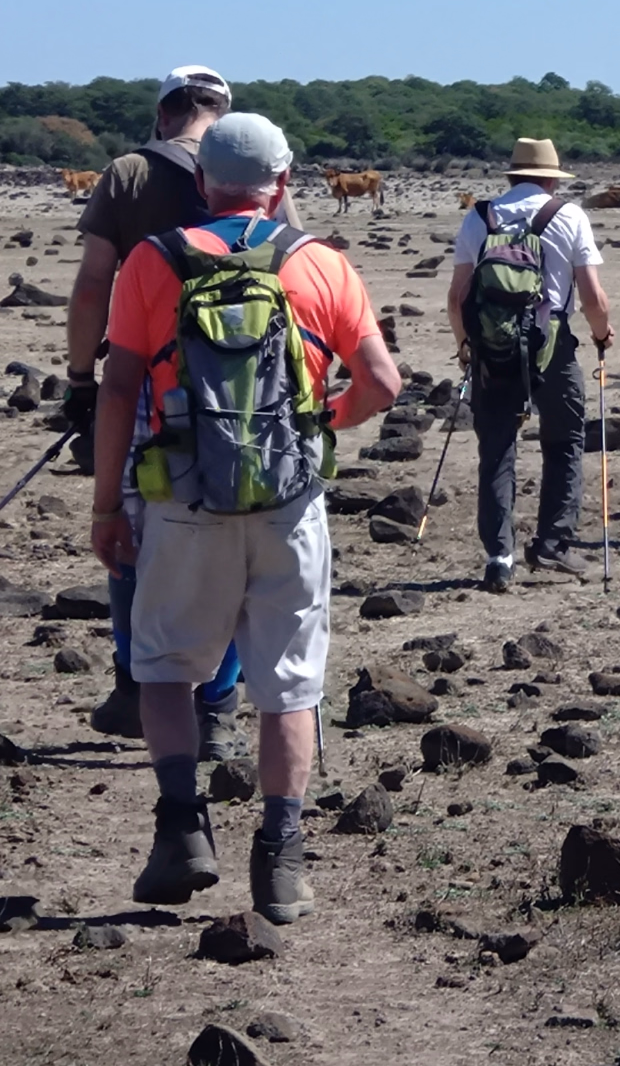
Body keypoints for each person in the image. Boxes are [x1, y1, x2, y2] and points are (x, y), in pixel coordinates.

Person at [89, 113, 401, 920]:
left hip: (181, 496)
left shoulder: (153, 261)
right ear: (284, 184)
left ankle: (181, 830)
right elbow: (383, 383)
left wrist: (104, 507)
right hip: (289, 503)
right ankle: (281, 853)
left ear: (202, 182)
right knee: (288, 684)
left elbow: (119, 388)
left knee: (162, 666)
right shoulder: (322, 262)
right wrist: (318, 426)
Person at [65, 66, 302, 751]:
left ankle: (135, 680)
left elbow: (90, 286)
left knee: (129, 537)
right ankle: (219, 704)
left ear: (162, 113)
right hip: (250, 393)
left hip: (147, 390)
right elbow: (296, 265)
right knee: (236, 532)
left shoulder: (129, 174)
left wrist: (82, 377)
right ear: (222, 113)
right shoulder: (255, 173)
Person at [447, 139, 614, 590]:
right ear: (550, 178)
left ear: (513, 176)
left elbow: (457, 297)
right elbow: (593, 297)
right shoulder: (569, 216)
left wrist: (466, 347)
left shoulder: (479, 216)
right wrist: (601, 335)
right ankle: (553, 545)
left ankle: (499, 556)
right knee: (564, 441)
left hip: (492, 347)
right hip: (552, 345)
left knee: (497, 450)